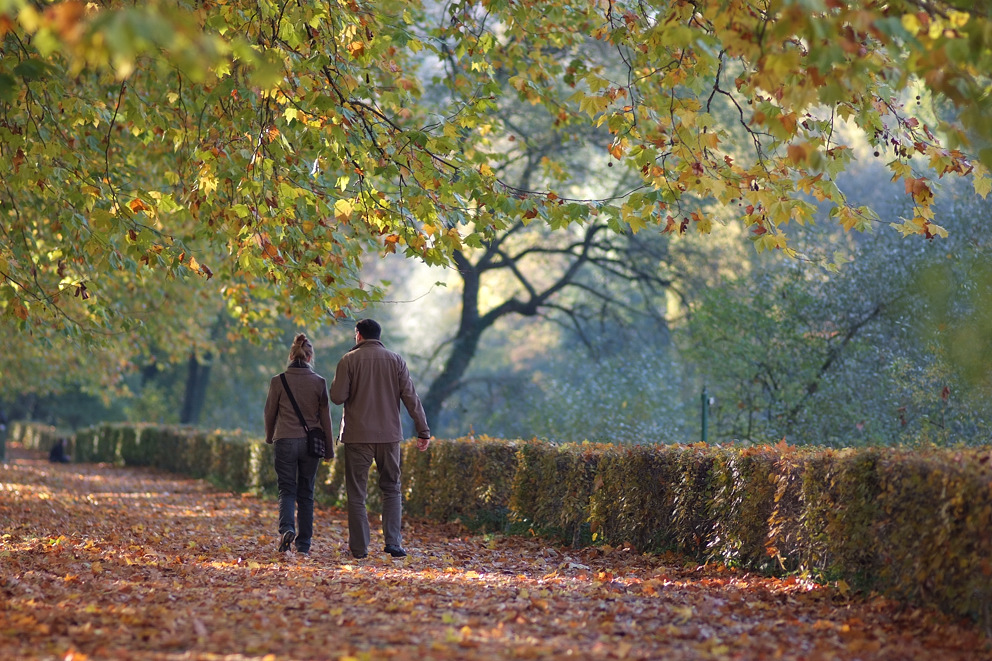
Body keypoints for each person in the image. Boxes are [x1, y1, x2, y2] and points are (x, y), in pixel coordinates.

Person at [330, 318, 431, 559]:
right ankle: (393, 543)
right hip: (389, 436)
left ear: (358, 335)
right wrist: (423, 430)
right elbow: (411, 397)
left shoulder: (348, 360)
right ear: (379, 335)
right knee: (392, 488)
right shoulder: (396, 361)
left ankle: (359, 549)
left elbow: (336, 396)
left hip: (357, 436)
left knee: (357, 493)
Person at [264, 333, 334, 555]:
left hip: (284, 439)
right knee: (306, 493)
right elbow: (325, 419)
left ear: (291, 355)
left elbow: (270, 413)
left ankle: (286, 529)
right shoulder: (319, 382)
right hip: (310, 445)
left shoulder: (278, 381)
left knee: (287, 489)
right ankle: (303, 545)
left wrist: (269, 436)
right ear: (310, 356)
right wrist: (329, 449)